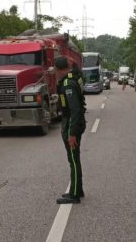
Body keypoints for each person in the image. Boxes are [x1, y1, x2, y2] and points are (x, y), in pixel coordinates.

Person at [55, 56, 86, 204]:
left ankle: (74, 195)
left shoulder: (67, 83)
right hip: (74, 123)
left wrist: (72, 133)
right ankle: (77, 189)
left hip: (71, 124)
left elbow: (75, 109)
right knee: (74, 158)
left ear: (58, 69)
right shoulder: (75, 76)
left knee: (73, 159)